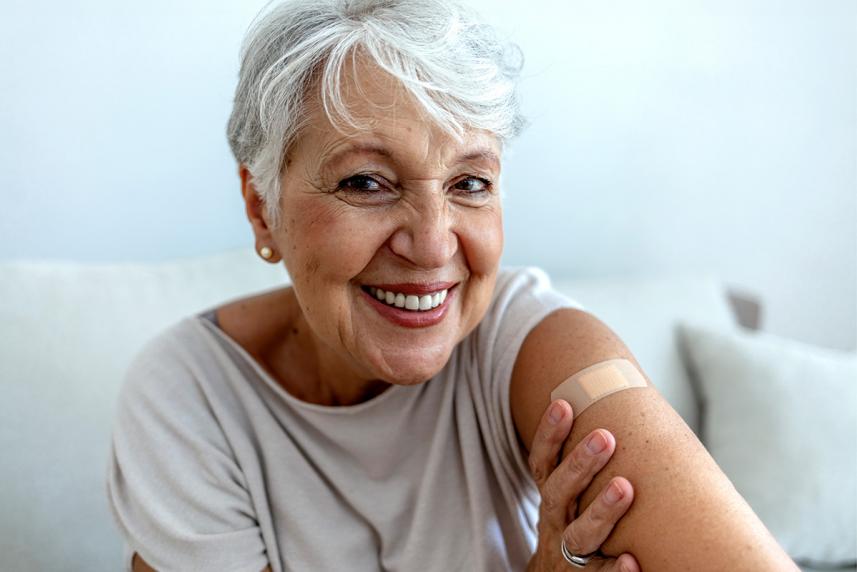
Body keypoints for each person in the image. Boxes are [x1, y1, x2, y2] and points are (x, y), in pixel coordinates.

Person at [106, 1, 799, 570]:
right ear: (262, 207)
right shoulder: (187, 395)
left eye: (470, 183)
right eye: (366, 182)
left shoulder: (540, 345)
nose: (435, 244)